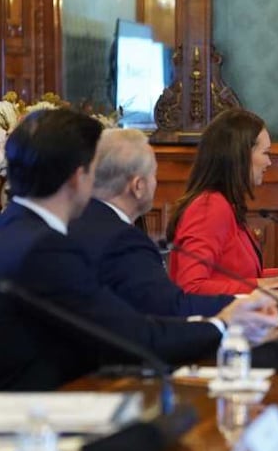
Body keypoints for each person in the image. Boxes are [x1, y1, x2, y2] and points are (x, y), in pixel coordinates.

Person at [0, 109, 277, 403]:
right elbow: (134, 337)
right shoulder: (45, 248)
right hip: (6, 420)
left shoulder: (4, 228)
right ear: (77, 178)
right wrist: (223, 326)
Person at [68, 128, 232, 317]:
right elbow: (170, 308)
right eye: (154, 174)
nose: (156, 182)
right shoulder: (123, 241)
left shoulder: (73, 221)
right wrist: (241, 303)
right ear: (138, 186)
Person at [166, 108, 278, 294]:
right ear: (242, 155)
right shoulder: (209, 207)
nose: (269, 163)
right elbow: (191, 286)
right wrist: (262, 285)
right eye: (265, 153)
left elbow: (230, 275)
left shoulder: (224, 203)